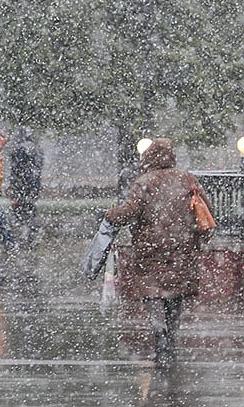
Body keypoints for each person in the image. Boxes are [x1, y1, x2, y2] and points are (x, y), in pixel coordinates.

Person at [105, 138, 211, 368]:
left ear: (149, 157)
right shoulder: (187, 178)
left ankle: (160, 335)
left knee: (153, 294)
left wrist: (111, 215)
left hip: (151, 248)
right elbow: (204, 208)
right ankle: (170, 339)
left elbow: (129, 212)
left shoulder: (145, 182)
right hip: (182, 247)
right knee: (175, 294)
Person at [6, 126, 45, 243]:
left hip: (21, 185)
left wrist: (13, 184)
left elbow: (15, 169)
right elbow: (39, 167)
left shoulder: (18, 150)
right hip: (33, 185)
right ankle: (31, 234)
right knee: (30, 209)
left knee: (19, 209)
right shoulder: (37, 149)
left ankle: (23, 233)